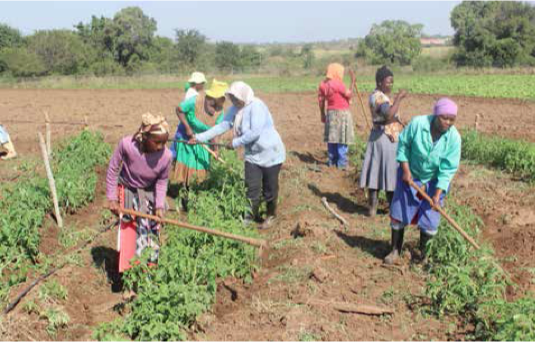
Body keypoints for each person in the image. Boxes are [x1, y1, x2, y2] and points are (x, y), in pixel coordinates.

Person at [191, 81, 286, 229]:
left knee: (270, 188)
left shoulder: (256, 106)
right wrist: (199, 138)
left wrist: (235, 143)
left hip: (271, 153)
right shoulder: (236, 109)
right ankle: (248, 218)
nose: (234, 102)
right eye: (232, 98)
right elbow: (222, 126)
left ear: (244, 96)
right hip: (253, 155)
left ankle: (270, 215)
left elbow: (255, 132)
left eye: (236, 98)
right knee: (252, 187)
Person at [384, 98, 461, 265]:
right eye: (444, 118)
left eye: (451, 119)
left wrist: (437, 195)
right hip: (410, 172)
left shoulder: (454, 138)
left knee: (431, 217)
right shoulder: (418, 124)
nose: (447, 122)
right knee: (399, 212)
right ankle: (395, 250)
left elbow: (447, 169)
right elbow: (403, 146)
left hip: (434, 180)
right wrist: (405, 170)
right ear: (436, 114)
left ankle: (423, 255)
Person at [106, 113, 172, 273]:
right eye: (157, 142)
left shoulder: (166, 156)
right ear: (145, 137)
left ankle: (148, 273)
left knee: (152, 232)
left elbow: (162, 182)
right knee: (130, 233)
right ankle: (130, 277)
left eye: (164, 142)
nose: (160, 147)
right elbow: (113, 169)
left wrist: (159, 206)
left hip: (150, 193)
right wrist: (112, 198)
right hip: (128, 190)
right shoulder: (127, 145)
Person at [359, 66, 407, 217]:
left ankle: (374, 210)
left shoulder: (379, 96)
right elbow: (387, 115)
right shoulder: (379, 97)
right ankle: (386, 210)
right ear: (380, 82)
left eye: (392, 82)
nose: (391, 85)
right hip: (384, 139)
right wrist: (399, 98)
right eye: (388, 82)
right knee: (389, 174)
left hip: (380, 137)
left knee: (377, 173)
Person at [170, 79, 229, 186]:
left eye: (219, 103)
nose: (215, 108)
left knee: (200, 171)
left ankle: (195, 191)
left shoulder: (220, 112)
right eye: (214, 103)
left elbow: (215, 132)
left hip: (203, 142)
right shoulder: (195, 101)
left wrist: (215, 149)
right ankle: (183, 189)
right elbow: (179, 109)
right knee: (186, 167)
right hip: (187, 137)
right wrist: (187, 127)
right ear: (211, 98)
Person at [317, 63, 356, 170]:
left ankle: (332, 162)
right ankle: (342, 164)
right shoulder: (338, 84)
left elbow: (321, 101)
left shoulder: (323, 85)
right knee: (342, 139)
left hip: (331, 114)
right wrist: (352, 82)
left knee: (332, 138)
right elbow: (349, 94)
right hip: (342, 114)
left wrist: (322, 114)